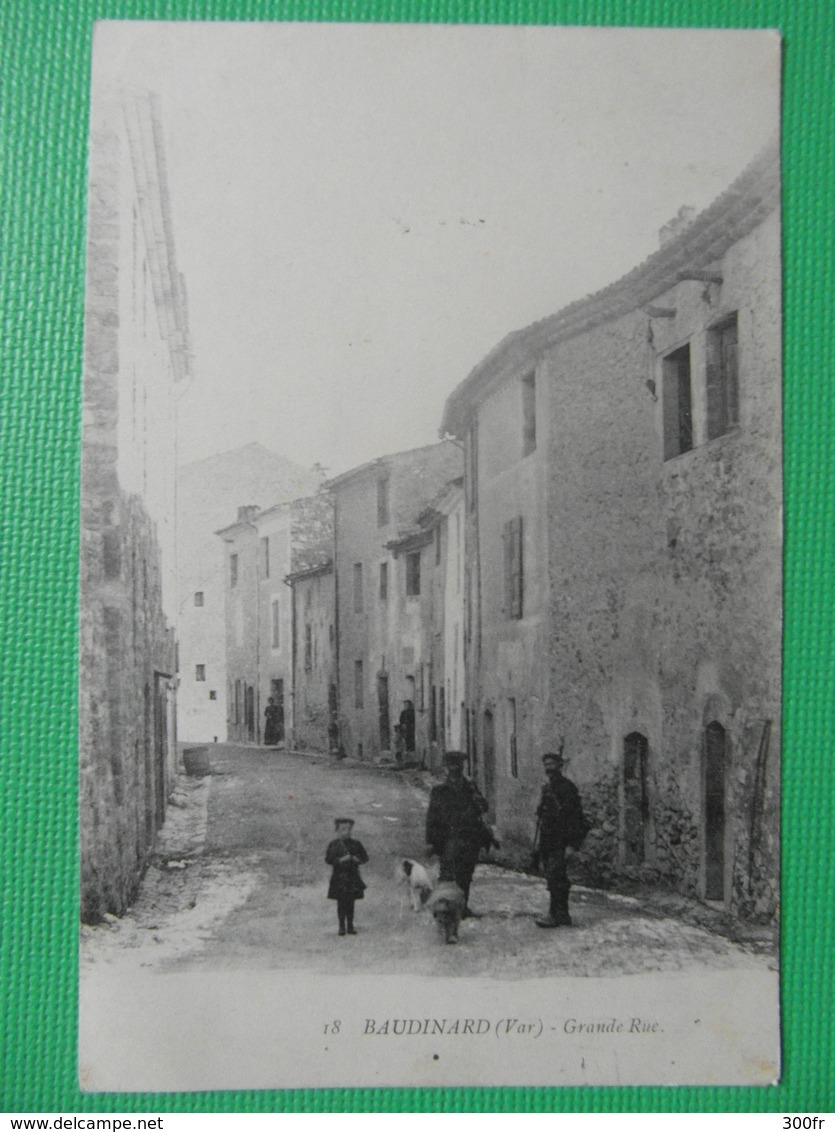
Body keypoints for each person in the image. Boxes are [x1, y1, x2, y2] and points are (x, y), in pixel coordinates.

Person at [425, 751, 491, 917]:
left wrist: (476, 800)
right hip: (448, 837)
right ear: (447, 766)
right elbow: (432, 816)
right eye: (451, 764)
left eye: (458, 764)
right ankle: (444, 908)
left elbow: (484, 807)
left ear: (462, 766)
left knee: (466, 874)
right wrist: (431, 842)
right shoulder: (439, 788)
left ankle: (463, 907)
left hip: (469, 836)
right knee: (447, 874)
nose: (455, 768)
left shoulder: (470, 786)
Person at [532, 747, 589, 928]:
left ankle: (554, 914)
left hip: (561, 840)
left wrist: (572, 844)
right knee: (554, 877)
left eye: (552, 764)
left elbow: (574, 816)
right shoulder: (547, 787)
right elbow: (544, 813)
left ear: (559, 766)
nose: (549, 767)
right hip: (548, 839)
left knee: (556, 877)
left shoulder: (567, 788)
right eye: (546, 764)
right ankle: (562, 914)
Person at [325, 818, 369, 936]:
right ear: (337, 831)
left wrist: (357, 860)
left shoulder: (356, 844)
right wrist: (340, 860)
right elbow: (328, 859)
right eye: (343, 829)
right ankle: (341, 926)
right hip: (339, 877)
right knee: (341, 902)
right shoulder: (334, 845)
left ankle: (350, 925)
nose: (347, 832)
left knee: (351, 902)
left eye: (349, 829)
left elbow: (365, 858)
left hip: (352, 877)